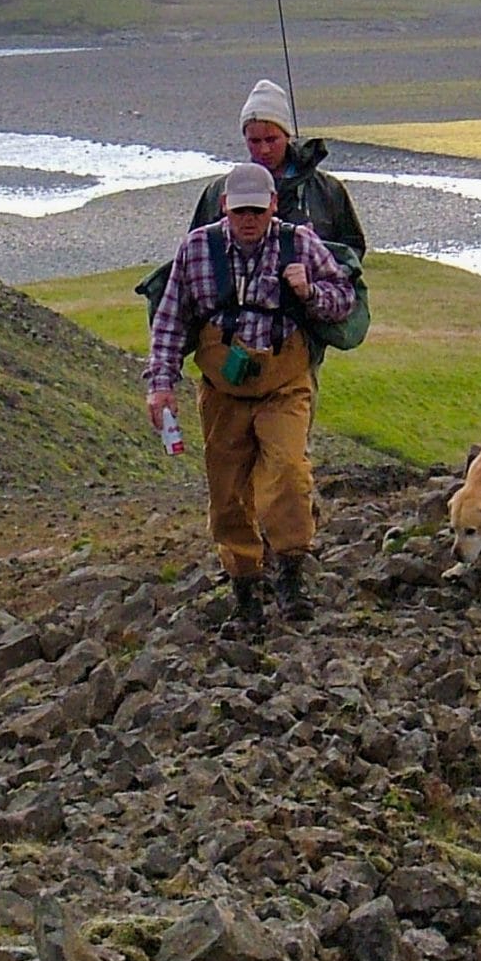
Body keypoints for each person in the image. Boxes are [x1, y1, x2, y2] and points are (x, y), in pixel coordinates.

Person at [145, 161, 359, 630]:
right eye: (240, 210)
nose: (248, 220)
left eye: (257, 211)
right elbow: (170, 319)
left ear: (273, 207)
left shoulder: (299, 243)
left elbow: (344, 298)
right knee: (227, 493)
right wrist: (160, 385)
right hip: (222, 390)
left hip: (285, 383)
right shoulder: (196, 250)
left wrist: (310, 292)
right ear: (224, 207)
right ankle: (245, 588)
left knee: (287, 470)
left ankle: (291, 574)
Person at [188, 79, 367, 259]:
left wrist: (322, 275)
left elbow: (352, 249)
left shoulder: (328, 190)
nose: (264, 149)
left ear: (287, 135)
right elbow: (196, 249)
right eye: (255, 141)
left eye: (271, 139)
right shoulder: (218, 192)